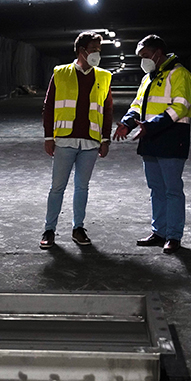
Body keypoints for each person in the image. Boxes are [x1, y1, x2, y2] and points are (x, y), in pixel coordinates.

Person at [113, 35, 191, 254]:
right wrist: (126, 124)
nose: (142, 60)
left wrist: (151, 125)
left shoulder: (181, 75)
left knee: (172, 190)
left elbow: (180, 107)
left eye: (144, 56)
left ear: (157, 53)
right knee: (156, 189)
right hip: (149, 139)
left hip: (171, 139)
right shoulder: (148, 78)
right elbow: (137, 104)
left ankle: (173, 236)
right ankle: (159, 232)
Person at [40, 31, 113, 249]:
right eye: (94, 50)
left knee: (82, 187)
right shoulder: (60, 73)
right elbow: (49, 106)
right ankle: (49, 230)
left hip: (90, 142)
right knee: (57, 187)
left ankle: (78, 228)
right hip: (65, 140)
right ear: (81, 51)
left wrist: (106, 139)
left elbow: (107, 109)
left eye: (99, 51)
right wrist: (48, 136)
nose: (97, 55)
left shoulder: (104, 76)